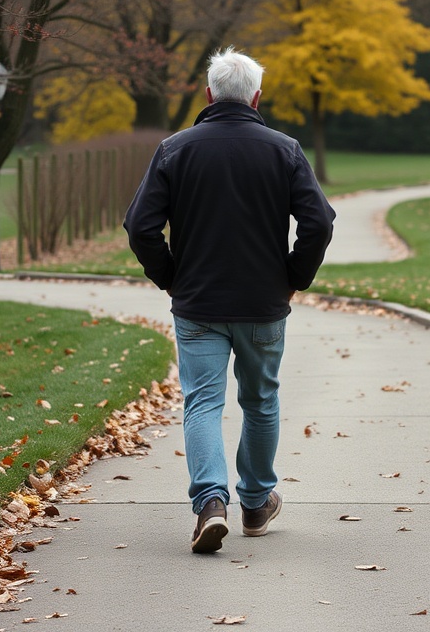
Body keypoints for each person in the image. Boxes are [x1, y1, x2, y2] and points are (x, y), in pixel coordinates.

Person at [123, 47, 335, 553]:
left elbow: (140, 226)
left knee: (201, 402)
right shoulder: (284, 149)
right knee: (260, 400)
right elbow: (319, 222)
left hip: (197, 303)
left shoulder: (176, 149)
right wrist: (293, 277)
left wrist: (169, 276)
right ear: (257, 97)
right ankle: (257, 504)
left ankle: (210, 503)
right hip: (263, 303)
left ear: (208, 94)